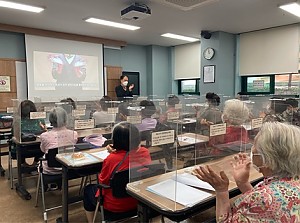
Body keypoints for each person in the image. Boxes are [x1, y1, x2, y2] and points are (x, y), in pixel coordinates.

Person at [193, 122, 300, 222]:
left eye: (255, 147)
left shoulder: (261, 198)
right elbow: (264, 210)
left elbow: (226, 221)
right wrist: (243, 183)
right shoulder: (294, 180)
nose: (252, 149)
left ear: (268, 159)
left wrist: (221, 191)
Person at [83, 122, 151, 223]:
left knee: (88, 190)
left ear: (115, 140)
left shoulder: (111, 159)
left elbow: (103, 181)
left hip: (115, 206)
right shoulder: (145, 152)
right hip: (140, 200)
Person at [40, 107, 78, 175]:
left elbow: (43, 150)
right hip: (68, 168)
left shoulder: (44, 136)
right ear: (65, 119)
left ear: (50, 120)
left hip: (50, 170)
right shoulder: (74, 134)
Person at [12, 100, 47, 167]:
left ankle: (23, 163)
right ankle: (36, 162)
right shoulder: (40, 120)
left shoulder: (17, 121)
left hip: (21, 151)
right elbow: (44, 132)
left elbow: (13, 133)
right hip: (38, 149)